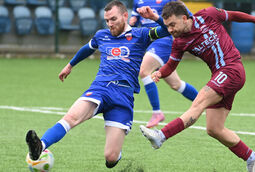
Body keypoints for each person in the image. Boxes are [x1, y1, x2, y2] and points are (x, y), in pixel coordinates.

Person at [25, 0, 170, 169]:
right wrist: (70, 65)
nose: (110, 24)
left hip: (123, 97)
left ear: (125, 16)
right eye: (107, 20)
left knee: (111, 157)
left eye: (113, 19)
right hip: (100, 88)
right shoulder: (102, 35)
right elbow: (87, 48)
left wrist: (155, 17)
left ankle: (116, 155)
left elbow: (168, 30)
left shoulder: (141, 34)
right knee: (71, 117)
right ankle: (40, 146)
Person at [138, 2, 255, 172]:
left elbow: (232, 15)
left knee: (199, 102)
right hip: (220, 74)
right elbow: (171, 66)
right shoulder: (179, 42)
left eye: (172, 24)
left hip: (232, 69)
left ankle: (161, 136)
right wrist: (160, 73)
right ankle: (252, 157)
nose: (170, 30)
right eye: (167, 26)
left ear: (185, 18)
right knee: (214, 128)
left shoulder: (208, 14)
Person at [129, 0, 198, 128]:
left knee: (144, 71)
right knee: (176, 84)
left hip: (162, 41)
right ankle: (205, 102)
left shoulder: (169, 1)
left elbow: (189, 16)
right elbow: (135, 20)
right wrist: (132, 21)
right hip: (148, 42)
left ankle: (157, 112)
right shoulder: (137, 1)